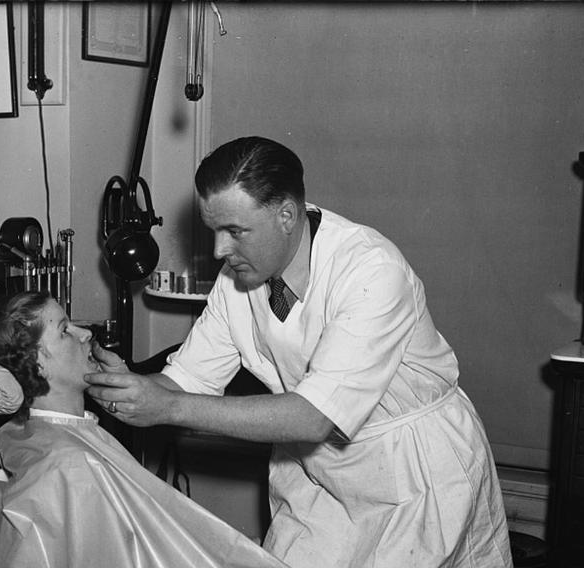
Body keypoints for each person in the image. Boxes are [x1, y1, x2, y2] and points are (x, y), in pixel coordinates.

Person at [84, 136, 513, 567]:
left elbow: (314, 416)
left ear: (287, 215)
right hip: (318, 476)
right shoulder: (238, 279)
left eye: (235, 231)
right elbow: (186, 380)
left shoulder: (371, 270)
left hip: (413, 473)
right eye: (214, 230)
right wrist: (130, 388)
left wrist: (169, 407)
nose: (219, 250)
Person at [0, 291, 288, 568]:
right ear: (37, 364)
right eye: (65, 330)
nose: (86, 334)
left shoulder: (40, 438)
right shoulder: (71, 465)